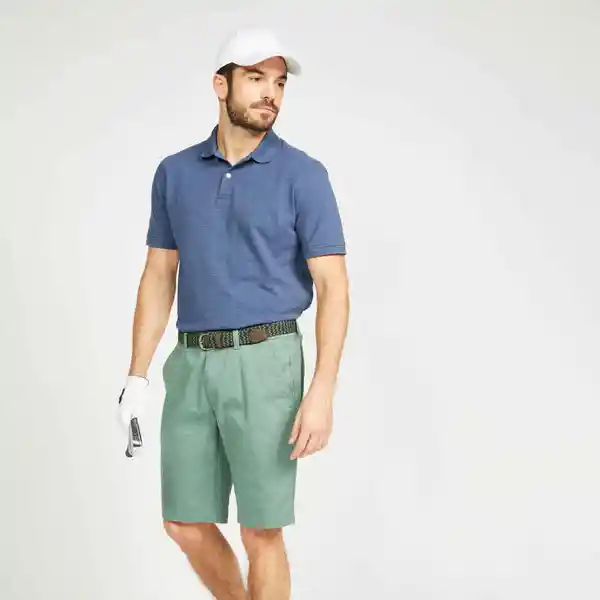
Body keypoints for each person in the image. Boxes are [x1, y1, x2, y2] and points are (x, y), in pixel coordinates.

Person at [116, 27, 349, 600]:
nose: (271, 93)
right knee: (183, 522)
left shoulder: (303, 175)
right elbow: (159, 274)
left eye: (279, 83)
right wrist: (136, 377)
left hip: (267, 361)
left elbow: (333, 286)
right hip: (192, 362)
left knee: (260, 530)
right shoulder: (175, 173)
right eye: (255, 78)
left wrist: (322, 389)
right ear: (220, 86)